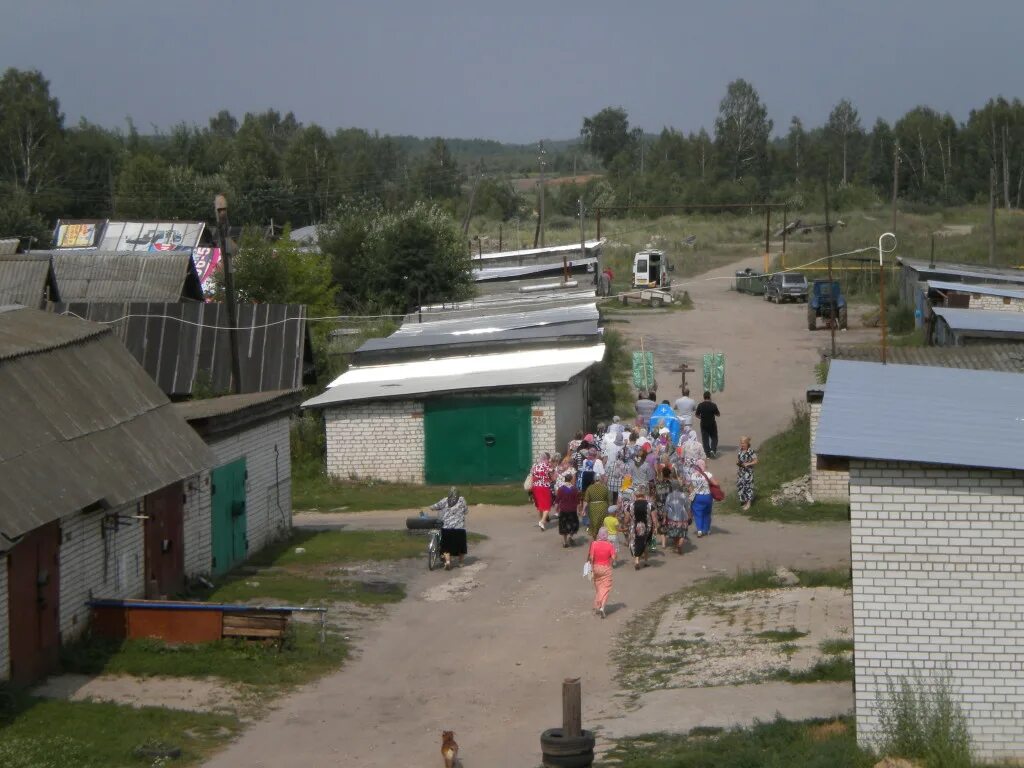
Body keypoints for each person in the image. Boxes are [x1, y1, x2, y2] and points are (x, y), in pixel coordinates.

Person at [430, 487, 469, 570]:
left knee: (446, 547)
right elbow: (466, 511)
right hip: (460, 528)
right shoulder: (462, 500)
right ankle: (461, 563)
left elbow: (434, 506)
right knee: (461, 547)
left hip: (447, 528)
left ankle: (448, 562)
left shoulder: (445, 500)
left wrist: (431, 507)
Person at [587, 527, 615, 618]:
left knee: (598, 587)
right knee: (606, 588)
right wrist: (610, 563)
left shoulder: (594, 544)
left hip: (595, 567)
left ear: (599, 534)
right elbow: (613, 558)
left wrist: (591, 567)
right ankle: (602, 607)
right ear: (606, 535)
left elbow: (591, 557)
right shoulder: (610, 545)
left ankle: (598, 605)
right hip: (606, 568)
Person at [627, 489, 652, 569]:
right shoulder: (649, 505)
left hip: (634, 526)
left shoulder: (630, 505)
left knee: (635, 542)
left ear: (635, 496)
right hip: (646, 526)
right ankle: (646, 561)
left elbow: (627, 518)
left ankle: (637, 560)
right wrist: (656, 526)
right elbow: (654, 517)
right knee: (645, 542)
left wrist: (625, 523)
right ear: (644, 496)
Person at [530, 452, 555, 531]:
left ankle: (541, 522)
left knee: (540, 505)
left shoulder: (535, 466)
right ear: (547, 459)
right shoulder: (547, 466)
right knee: (547, 506)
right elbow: (553, 477)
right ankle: (542, 521)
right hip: (544, 487)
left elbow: (532, 476)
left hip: (535, 487)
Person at [690, 459, 714, 537]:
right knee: (707, 513)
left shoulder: (693, 475)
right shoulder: (708, 474)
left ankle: (699, 530)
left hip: (697, 497)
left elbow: (691, 487)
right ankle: (706, 530)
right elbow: (716, 483)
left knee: (698, 513)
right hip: (707, 496)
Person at [583, 473, 611, 539]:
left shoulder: (590, 488)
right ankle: (601, 538)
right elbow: (608, 500)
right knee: (602, 523)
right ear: (600, 479)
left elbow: (586, 500)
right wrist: (608, 508)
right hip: (603, 507)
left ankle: (595, 538)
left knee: (594, 523)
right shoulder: (605, 488)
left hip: (593, 508)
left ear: (594, 479)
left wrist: (583, 509)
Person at [664, 486, 691, 555]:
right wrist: (690, 516)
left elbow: (666, 508)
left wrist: (664, 518)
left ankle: (677, 546)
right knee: (682, 533)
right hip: (683, 517)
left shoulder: (669, 495)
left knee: (674, 533)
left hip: (672, 518)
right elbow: (687, 507)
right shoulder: (683, 495)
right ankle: (680, 545)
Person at [555, 474, 580, 547]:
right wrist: (578, 510)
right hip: (572, 510)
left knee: (564, 526)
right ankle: (570, 537)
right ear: (571, 480)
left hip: (563, 510)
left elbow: (557, 500)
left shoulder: (561, 489)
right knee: (573, 525)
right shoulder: (574, 489)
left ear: (565, 479)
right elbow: (577, 501)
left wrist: (556, 509)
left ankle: (565, 542)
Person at [695, 391, 721, 458]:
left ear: (704, 397)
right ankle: (713, 450)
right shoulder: (713, 405)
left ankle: (707, 454)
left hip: (703, 424)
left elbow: (696, 415)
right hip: (712, 424)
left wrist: (702, 418)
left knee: (705, 439)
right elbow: (718, 414)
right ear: (710, 397)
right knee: (714, 438)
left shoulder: (700, 405)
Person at [736, 436, 759, 512]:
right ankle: (745, 501)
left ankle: (749, 503)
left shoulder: (750, 451)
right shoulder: (740, 450)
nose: (742, 445)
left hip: (748, 473)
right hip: (741, 472)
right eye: (741, 443)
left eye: (743, 443)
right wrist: (738, 463)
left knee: (748, 487)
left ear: (747, 443)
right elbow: (739, 459)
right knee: (741, 487)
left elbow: (756, 461)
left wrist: (748, 464)